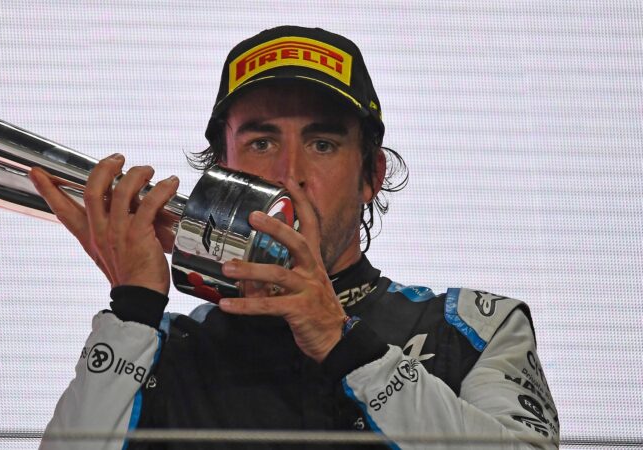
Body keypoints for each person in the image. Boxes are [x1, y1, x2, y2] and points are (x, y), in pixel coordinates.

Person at [31, 26, 559, 450]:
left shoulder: (472, 327)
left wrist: (345, 342)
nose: (289, 172)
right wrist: (134, 307)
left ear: (371, 176)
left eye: (323, 143)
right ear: (221, 173)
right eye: (261, 141)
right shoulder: (157, 346)